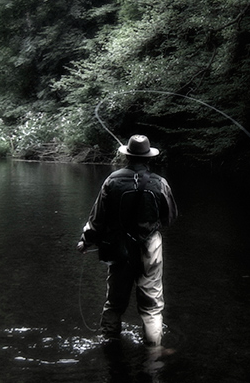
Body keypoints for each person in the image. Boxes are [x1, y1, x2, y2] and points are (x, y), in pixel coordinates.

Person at [77, 134, 178, 349]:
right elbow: (169, 219)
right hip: (151, 247)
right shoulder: (160, 184)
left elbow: (97, 220)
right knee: (151, 307)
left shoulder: (112, 181)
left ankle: (111, 348)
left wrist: (86, 242)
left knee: (114, 304)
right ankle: (153, 355)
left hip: (119, 249)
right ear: (148, 158)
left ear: (127, 157)